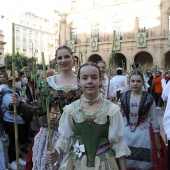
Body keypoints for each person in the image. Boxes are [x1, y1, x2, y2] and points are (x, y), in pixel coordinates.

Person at [46, 62, 131, 170]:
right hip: (77, 163)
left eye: (94, 77)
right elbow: (66, 138)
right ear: (78, 81)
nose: (89, 81)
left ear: (100, 80)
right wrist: (56, 152)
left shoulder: (111, 110)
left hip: (104, 164)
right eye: (85, 78)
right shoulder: (71, 109)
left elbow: (118, 144)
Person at [30, 45, 82, 170]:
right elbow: (39, 110)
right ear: (56, 61)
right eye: (60, 58)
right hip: (50, 133)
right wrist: (18, 104)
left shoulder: (82, 81)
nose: (63, 60)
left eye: (66, 57)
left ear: (72, 58)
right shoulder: (48, 82)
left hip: (74, 134)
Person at [120, 70, 167, 170]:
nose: (135, 84)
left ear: (143, 82)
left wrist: (157, 142)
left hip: (143, 133)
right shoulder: (123, 97)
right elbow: (116, 114)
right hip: (125, 133)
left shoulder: (149, 98)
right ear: (129, 82)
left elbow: (154, 120)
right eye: (133, 81)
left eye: (138, 81)